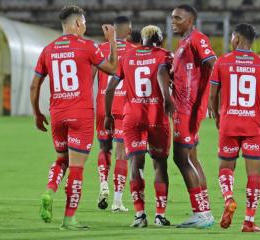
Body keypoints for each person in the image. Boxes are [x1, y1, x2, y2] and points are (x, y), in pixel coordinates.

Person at [30, 5, 118, 230]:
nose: (85, 26)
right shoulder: (88, 46)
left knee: (62, 160)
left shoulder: (48, 50)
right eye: (85, 22)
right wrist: (112, 40)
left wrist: (37, 113)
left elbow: (34, 85)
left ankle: (50, 190)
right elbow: (112, 68)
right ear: (78, 23)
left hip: (57, 114)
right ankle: (69, 219)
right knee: (77, 168)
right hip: (81, 115)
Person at [209, 23, 260, 232]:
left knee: (225, 168)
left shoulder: (222, 62)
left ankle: (228, 198)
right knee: (254, 176)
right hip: (253, 125)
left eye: (233, 37)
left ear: (238, 39)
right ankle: (249, 222)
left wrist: (216, 116)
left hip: (229, 122)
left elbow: (213, 96)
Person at [105, 25, 174, 227]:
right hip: (156, 115)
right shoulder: (164, 55)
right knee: (160, 164)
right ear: (159, 41)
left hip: (132, 116)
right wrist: (167, 97)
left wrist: (109, 116)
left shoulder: (127, 57)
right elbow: (163, 73)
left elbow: (110, 88)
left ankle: (139, 215)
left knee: (136, 163)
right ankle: (160, 215)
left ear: (142, 40)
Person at [170, 4, 216, 228]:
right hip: (185, 107)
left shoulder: (198, 38)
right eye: (172, 18)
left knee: (181, 159)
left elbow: (214, 65)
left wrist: (211, 100)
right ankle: (204, 212)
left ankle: (201, 213)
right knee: (192, 159)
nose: (173, 22)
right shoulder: (183, 43)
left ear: (190, 20)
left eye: (178, 18)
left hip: (187, 109)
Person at [95, 16, 135, 212]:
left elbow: (89, 78)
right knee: (122, 154)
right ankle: (117, 202)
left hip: (103, 104)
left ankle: (103, 183)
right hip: (123, 106)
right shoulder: (134, 52)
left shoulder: (100, 49)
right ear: (129, 32)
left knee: (104, 148)